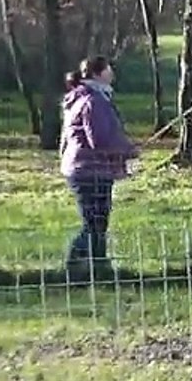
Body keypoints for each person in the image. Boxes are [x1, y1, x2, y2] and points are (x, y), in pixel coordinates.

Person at [59, 56, 138, 273]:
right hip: (90, 170)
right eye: (108, 69)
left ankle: (97, 268)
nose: (112, 73)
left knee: (97, 223)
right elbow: (101, 140)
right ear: (97, 74)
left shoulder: (83, 97)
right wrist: (128, 151)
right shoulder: (94, 101)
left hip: (84, 168)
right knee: (94, 224)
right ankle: (76, 264)